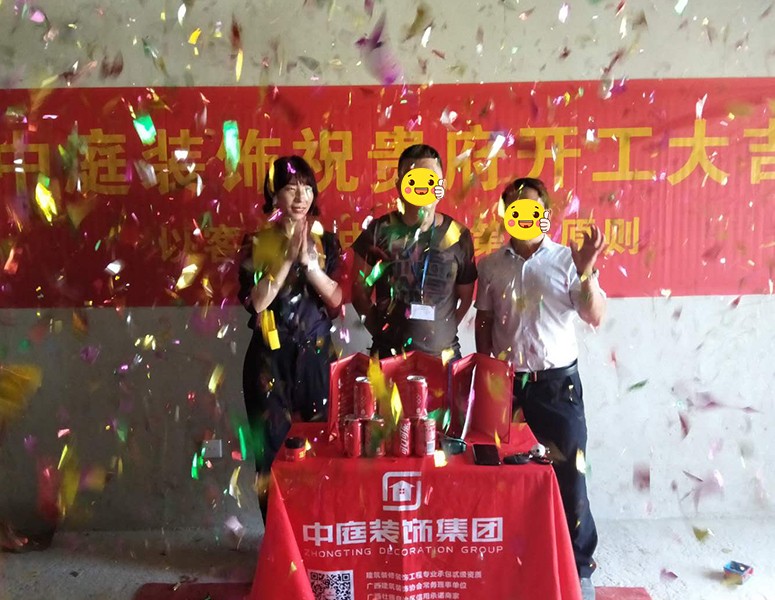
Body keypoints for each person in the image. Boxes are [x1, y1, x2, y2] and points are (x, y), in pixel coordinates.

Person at [474, 177, 607, 600]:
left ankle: (579, 568)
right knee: (507, 476)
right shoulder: (490, 266)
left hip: (556, 387)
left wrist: (586, 272)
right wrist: (487, 373)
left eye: (531, 208)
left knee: (570, 477)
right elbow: (484, 320)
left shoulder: (568, 260)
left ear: (545, 215)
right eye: (514, 208)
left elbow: (594, 315)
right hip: (508, 387)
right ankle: (515, 560)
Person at [237, 155, 343, 518]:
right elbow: (257, 302)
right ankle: (276, 538)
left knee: (320, 447)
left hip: (317, 358)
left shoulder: (327, 241)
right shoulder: (256, 242)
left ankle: (315, 533)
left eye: (307, 188)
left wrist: (309, 265)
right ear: (274, 195)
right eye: (290, 188)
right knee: (271, 454)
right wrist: (285, 259)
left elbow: (336, 300)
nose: (300, 197)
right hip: (269, 361)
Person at [351, 144, 477, 359]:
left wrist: (442, 334)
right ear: (399, 185)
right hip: (388, 360)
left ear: (442, 185)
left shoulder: (458, 236)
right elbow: (358, 293)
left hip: (443, 360)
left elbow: (465, 298)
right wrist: (382, 334)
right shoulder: (378, 231)